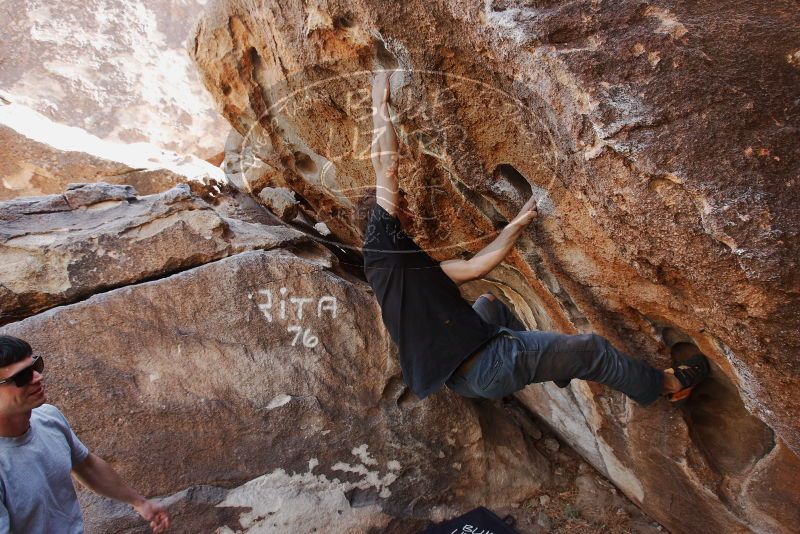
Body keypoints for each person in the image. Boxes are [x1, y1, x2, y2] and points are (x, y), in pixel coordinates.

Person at [361, 69, 709, 405]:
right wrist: (380, 101)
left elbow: (476, 265)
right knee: (592, 348)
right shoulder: (381, 242)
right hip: (491, 365)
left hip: (465, 381)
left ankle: (552, 360)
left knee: (489, 305)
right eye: (401, 204)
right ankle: (667, 385)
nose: (408, 211)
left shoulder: (400, 267)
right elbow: (386, 168)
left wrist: (518, 221)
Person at [0, 335, 170, 533]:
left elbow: (87, 466)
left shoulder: (48, 418)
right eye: (22, 376)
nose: (38, 377)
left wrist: (139, 502)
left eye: (36, 366)